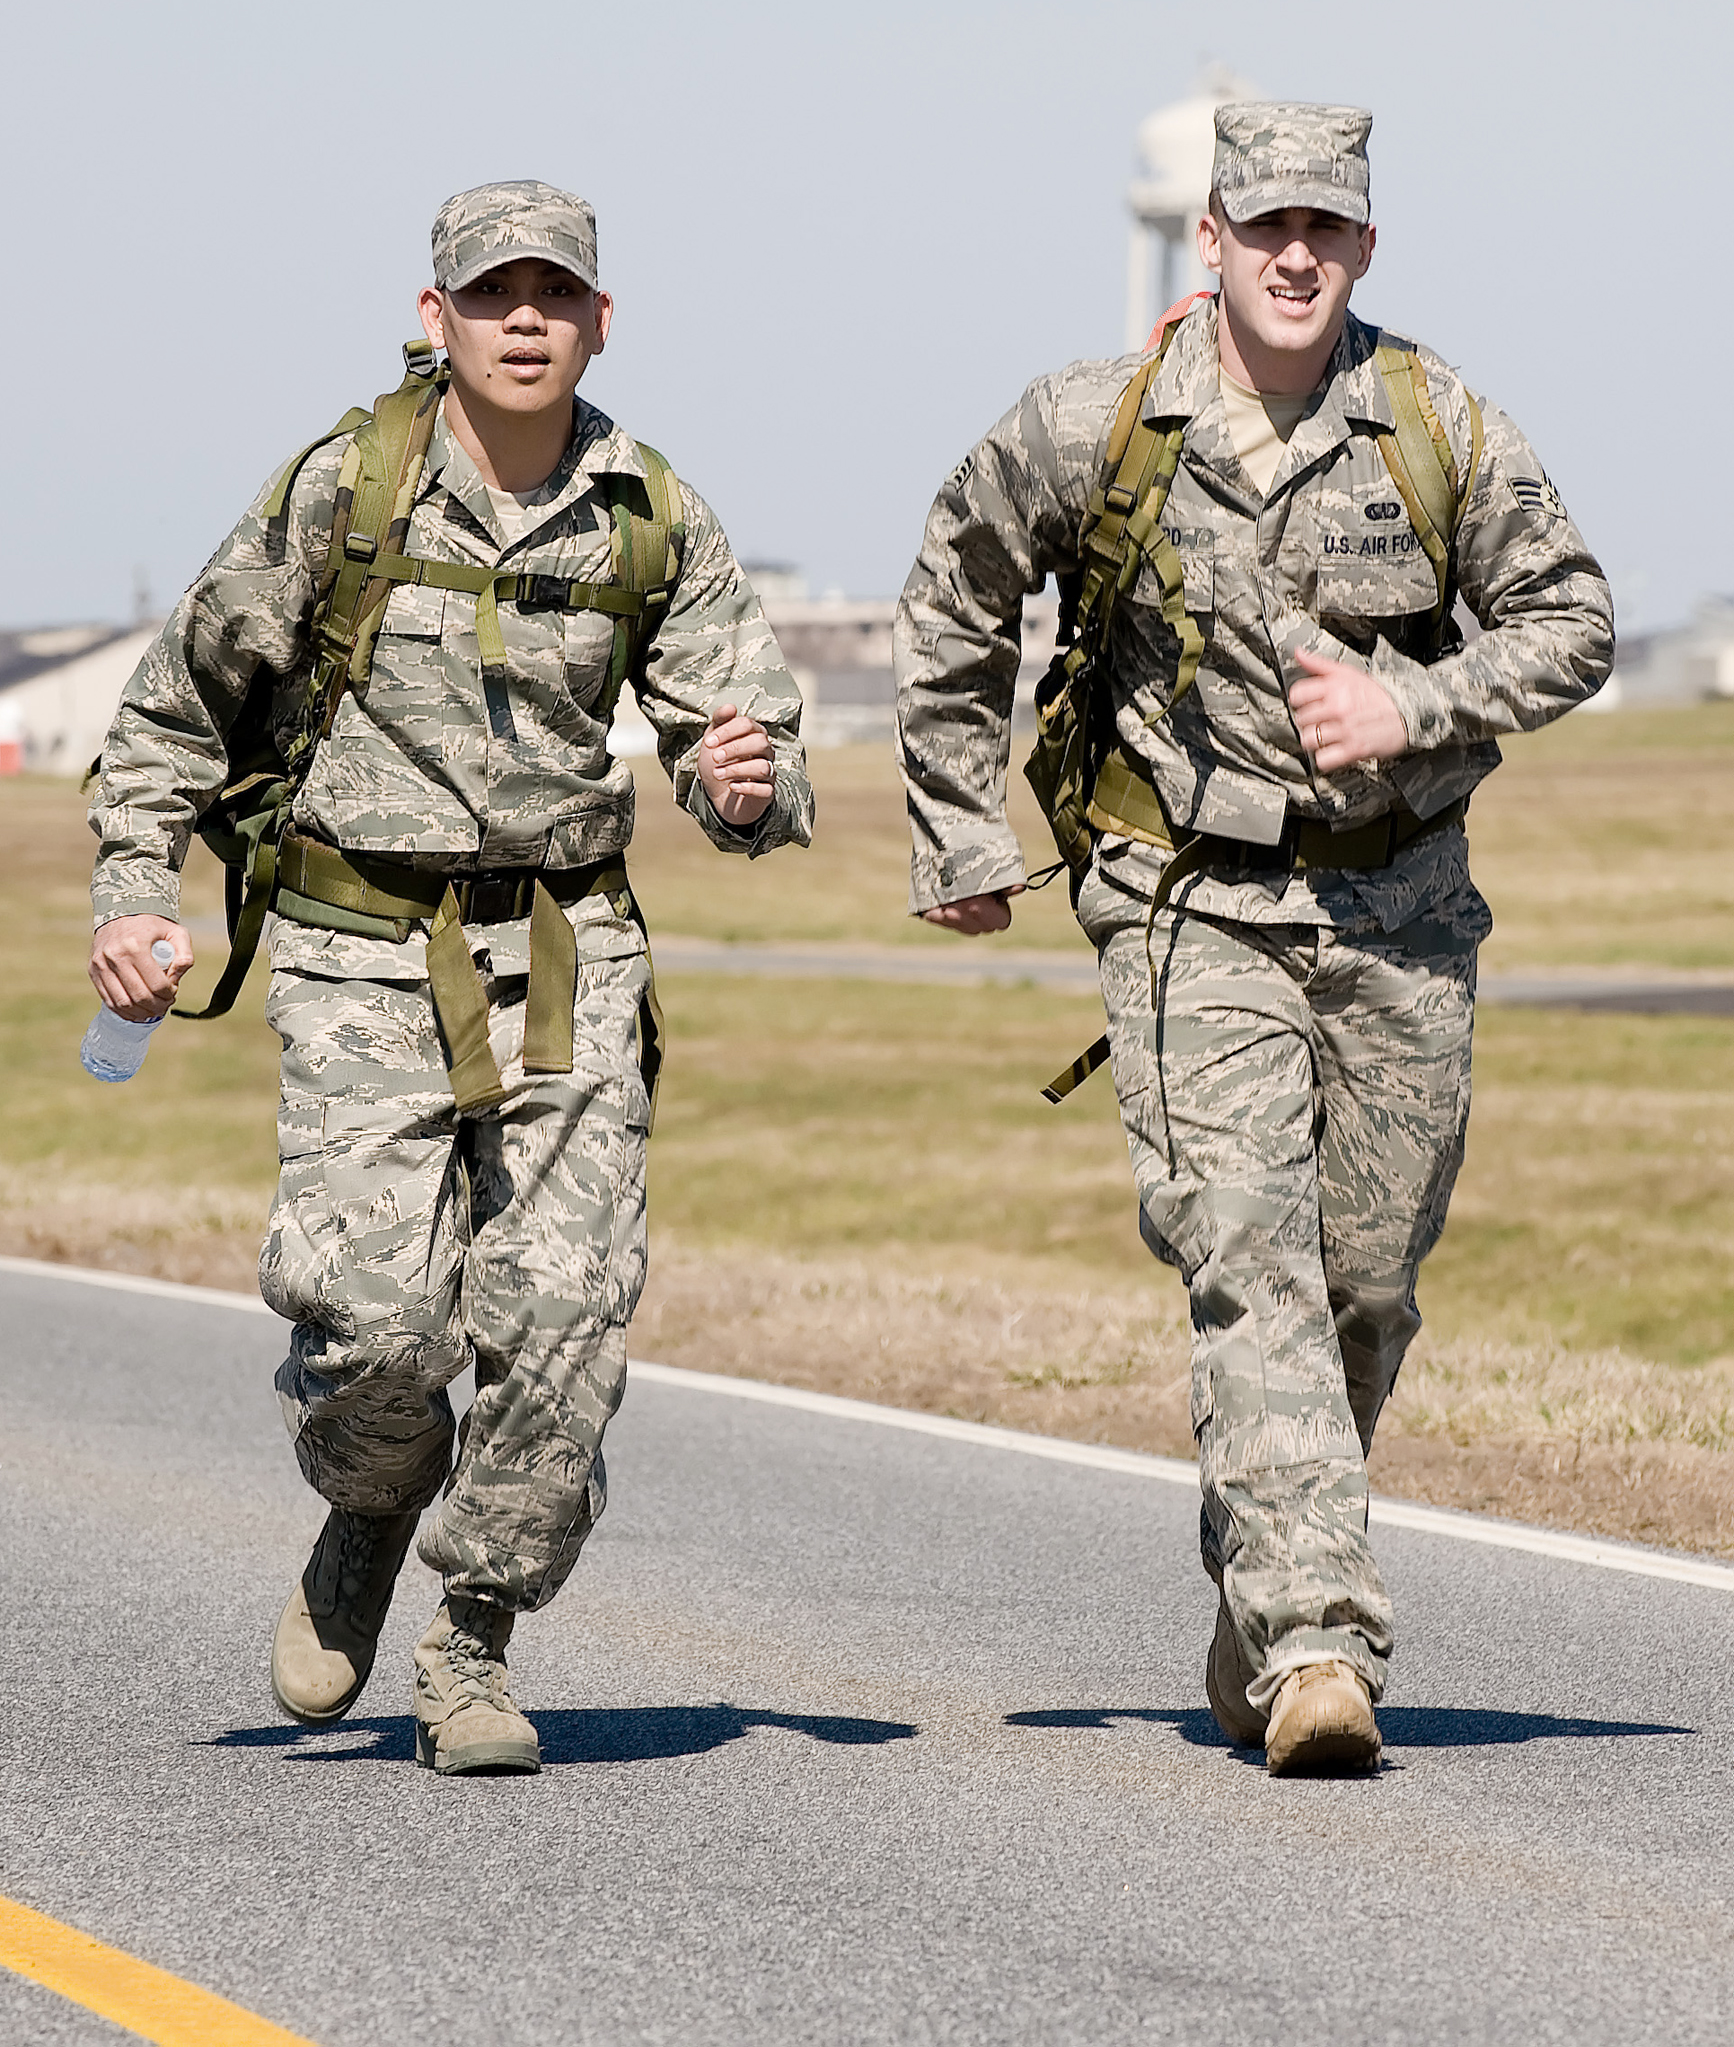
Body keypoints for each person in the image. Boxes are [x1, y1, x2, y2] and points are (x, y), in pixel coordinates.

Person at [894, 106, 1612, 1774]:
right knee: (1248, 1250)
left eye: (1328, 230)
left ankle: (1264, 1570)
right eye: (1265, 224)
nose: (1295, 254)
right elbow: (952, 597)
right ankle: (1313, 1643)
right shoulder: (1096, 423)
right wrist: (957, 826)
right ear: (1205, 238)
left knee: (1364, 1281)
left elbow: (1568, 620)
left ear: (1364, 249)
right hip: (1183, 904)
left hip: (1403, 909)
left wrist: (1409, 701)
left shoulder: (1437, 424)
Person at [87, 181, 813, 1775]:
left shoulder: (651, 512)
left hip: (565, 951)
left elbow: (743, 744)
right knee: (372, 1326)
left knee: (561, 1321)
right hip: (357, 950)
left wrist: (744, 788)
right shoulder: (342, 488)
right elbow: (168, 718)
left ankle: (471, 1638)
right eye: (495, 294)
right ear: (439, 318)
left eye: (558, 292)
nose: (527, 318)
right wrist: (136, 895)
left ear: (603, 320)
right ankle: (366, 1502)